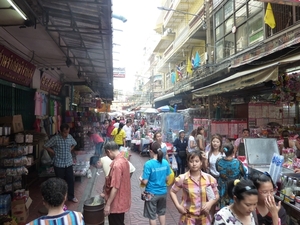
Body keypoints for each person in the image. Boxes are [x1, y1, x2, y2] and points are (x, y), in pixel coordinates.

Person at [170, 150, 219, 224]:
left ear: (201, 162)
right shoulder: (183, 178)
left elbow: (216, 195)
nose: (194, 164)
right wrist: (178, 206)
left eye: (197, 161)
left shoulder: (209, 179)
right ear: (188, 163)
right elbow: (172, 191)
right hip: (188, 219)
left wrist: (210, 203)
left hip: (205, 219)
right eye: (191, 161)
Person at [43, 123, 78, 203]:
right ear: (61, 131)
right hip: (59, 163)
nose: (66, 134)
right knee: (60, 182)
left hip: (68, 162)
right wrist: (53, 152)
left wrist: (70, 149)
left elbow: (75, 143)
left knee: (70, 180)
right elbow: (45, 145)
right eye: (65, 132)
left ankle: (71, 196)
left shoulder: (70, 137)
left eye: (68, 132)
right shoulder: (55, 138)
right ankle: (61, 199)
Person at [139, 142, 171, 225]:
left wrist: (141, 179)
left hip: (151, 193)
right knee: (162, 213)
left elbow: (145, 181)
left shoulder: (148, 164)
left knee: (152, 216)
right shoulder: (165, 162)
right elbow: (167, 178)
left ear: (151, 151)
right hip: (163, 192)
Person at [103, 141, 131, 225]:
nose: (108, 157)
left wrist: (108, 205)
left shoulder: (117, 165)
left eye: (107, 155)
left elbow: (115, 187)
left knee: (116, 222)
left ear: (108, 151)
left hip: (116, 202)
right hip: (123, 199)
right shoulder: (124, 160)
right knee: (119, 221)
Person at [216, 143, 247, 208]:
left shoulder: (219, 161)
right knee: (233, 203)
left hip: (223, 185)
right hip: (233, 185)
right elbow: (243, 172)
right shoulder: (237, 162)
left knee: (223, 203)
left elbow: (217, 169)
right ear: (233, 152)